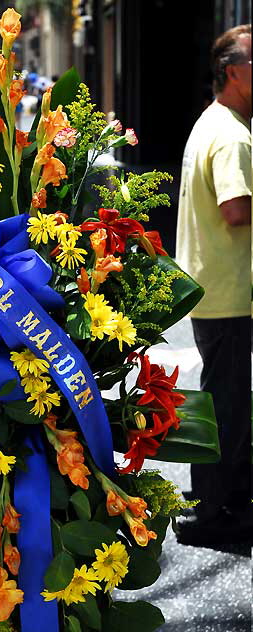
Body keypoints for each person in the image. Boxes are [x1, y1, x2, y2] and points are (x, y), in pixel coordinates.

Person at [175, 24, 252, 546]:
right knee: (226, 405)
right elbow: (236, 209)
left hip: (213, 286)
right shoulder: (232, 136)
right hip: (227, 290)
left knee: (226, 400)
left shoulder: (215, 121)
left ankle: (223, 501)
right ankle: (213, 515)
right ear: (233, 71)